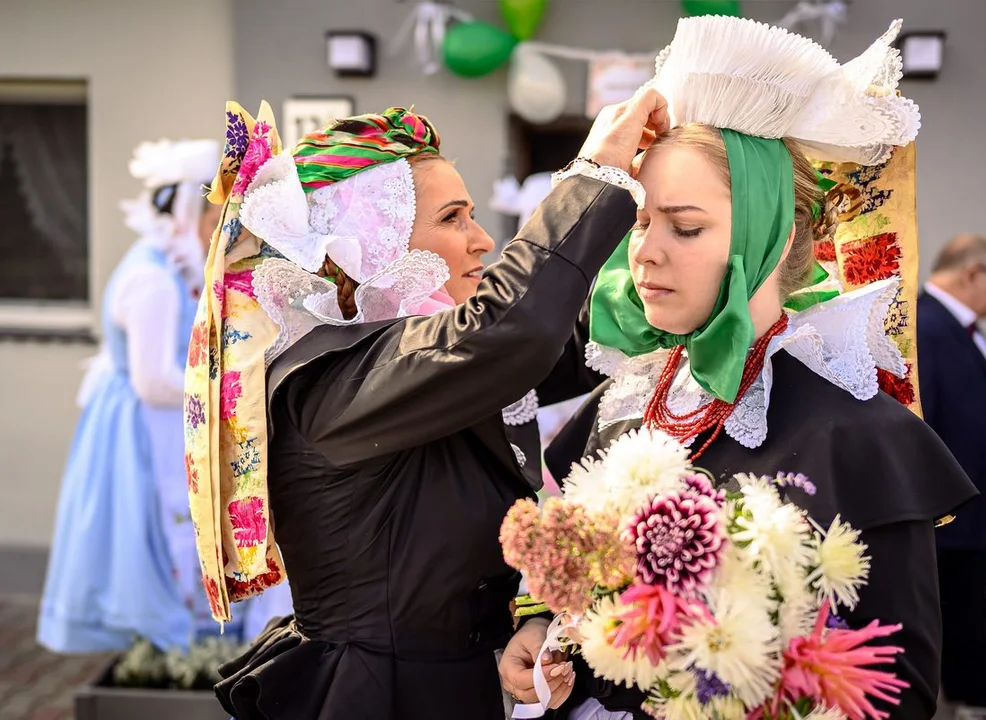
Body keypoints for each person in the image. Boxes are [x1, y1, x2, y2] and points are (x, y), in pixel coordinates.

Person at [503, 16, 979, 719]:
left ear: (767, 234)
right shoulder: (624, 399)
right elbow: (567, 574)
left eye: (685, 227)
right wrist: (542, 629)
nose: (644, 253)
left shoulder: (856, 433)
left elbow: (896, 689)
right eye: (637, 223)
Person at [183, 94, 668, 719]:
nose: (482, 239)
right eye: (454, 217)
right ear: (372, 241)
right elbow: (510, 331)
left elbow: (567, 339)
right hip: (376, 697)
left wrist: (677, 273)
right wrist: (597, 172)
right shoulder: (332, 378)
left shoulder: (415, 354)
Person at [37, 139, 224, 653]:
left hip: (140, 418)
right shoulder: (153, 279)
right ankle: (166, 645)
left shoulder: (161, 267)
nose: (216, 226)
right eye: (211, 214)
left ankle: (172, 645)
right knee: (147, 534)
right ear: (187, 211)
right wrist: (223, 394)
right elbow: (152, 382)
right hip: (141, 428)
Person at [919, 234, 986, 708]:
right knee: (952, 611)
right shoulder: (927, 325)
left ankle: (975, 684)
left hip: (966, 512)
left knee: (965, 608)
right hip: (946, 515)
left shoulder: (959, 328)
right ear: (971, 273)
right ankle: (970, 691)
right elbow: (922, 420)